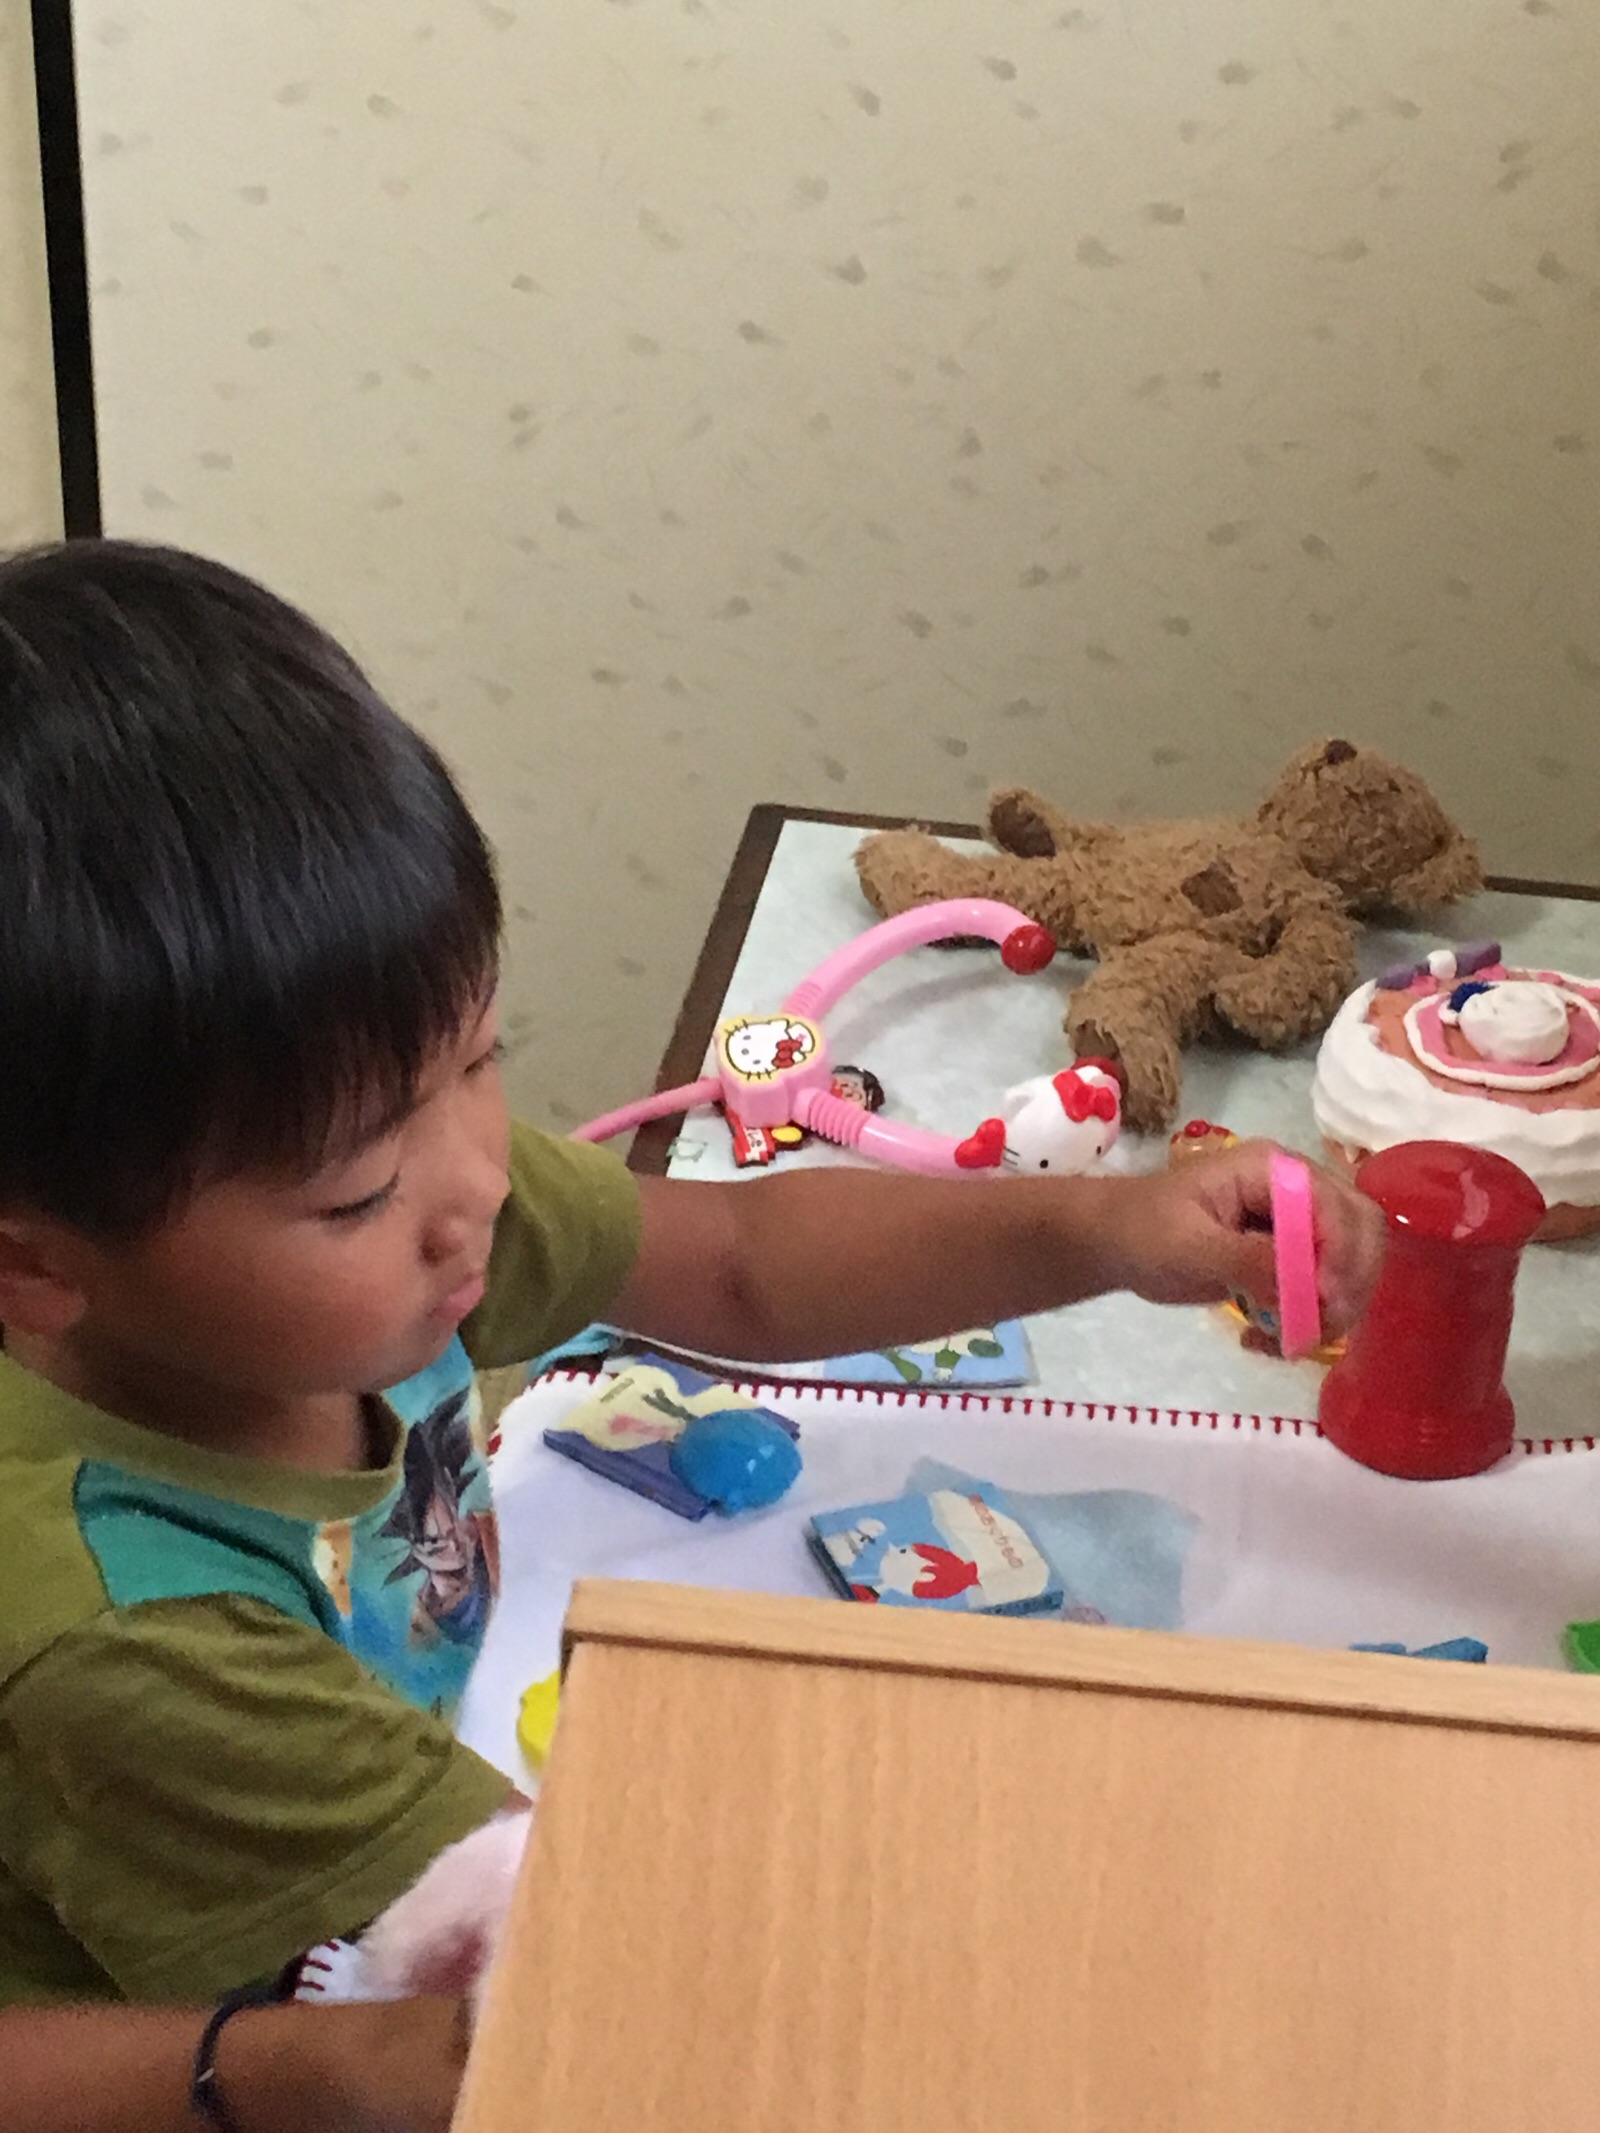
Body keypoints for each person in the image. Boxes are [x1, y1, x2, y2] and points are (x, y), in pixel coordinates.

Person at [0, 541, 1384, 2129]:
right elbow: (596, 1959)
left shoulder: (389, 1222)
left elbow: (737, 1264)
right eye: (359, 1186)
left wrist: (1103, 1231)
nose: (473, 1184)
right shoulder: (131, 1634)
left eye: (478, 1058)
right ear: (36, 1264)